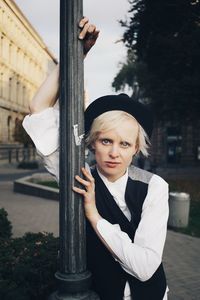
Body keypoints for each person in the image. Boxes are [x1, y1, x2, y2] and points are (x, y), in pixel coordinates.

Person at [23, 17, 169, 300]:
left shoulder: (154, 187)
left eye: (125, 144)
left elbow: (145, 268)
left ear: (136, 148)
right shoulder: (77, 174)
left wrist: (94, 215)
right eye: (106, 141)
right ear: (92, 142)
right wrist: (77, 58)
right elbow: (38, 107)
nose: (115, 152)